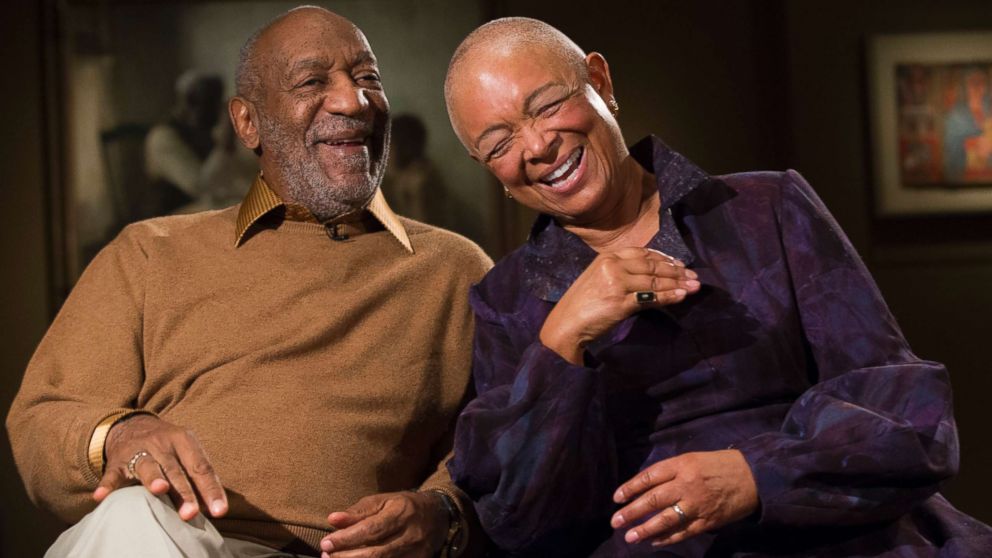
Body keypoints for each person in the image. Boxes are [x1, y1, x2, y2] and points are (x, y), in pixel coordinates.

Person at [442, 17, 992, 557]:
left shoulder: (768, 208)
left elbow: (908, 416)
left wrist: (758, 475)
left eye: (545, 106)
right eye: (498, 143)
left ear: (601, 84)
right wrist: (560, 340)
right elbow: (520, 524)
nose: (536, 145)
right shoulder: (506, 303)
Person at [7, 6, 490, 557]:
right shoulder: (148, 253)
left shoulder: (455, 270)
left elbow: (502, 451)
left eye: (367, 79)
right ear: (247, 123)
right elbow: (42, 423)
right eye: (313, 81)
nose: (351, 102)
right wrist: (122, 434)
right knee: (129, 514)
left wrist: (443, 513)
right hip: (164, 540)